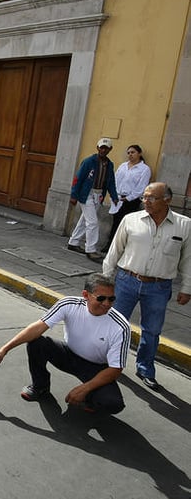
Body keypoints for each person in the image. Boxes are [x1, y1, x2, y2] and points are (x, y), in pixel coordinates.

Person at [0, 273, 129, 414]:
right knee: (36, 343)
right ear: (86, 295)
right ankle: (40, 386)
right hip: (68, 354)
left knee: (113, 404)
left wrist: (84, 389)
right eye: (101, 298)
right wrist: (5, 349)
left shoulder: (120, 326)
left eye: (111, 299)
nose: (106, 304)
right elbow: (38, 327)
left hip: (96, 367)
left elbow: (115, 369)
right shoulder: (68, 304)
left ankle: (89, 399)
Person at [102, 182, 191, 390]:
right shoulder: (131, 220)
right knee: (115, 324)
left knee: (151, 331)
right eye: (144, 197)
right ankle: (108, 362)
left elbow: (188, 259)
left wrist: (187, 288)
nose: (146, 201)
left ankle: (145, 368)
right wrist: (106, 279)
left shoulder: (184, 225)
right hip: (127, 281)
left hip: (159, 287)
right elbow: (115, 250)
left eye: (152, 198)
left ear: (167, 200)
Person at [67, 137, 118, 263]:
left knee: (85, 219)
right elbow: (78, 178)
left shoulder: (109, 164)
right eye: (101, 147)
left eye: (106, 148)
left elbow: (111, 182)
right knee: (92, 222)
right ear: (97, 148)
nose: (103, 150)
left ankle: (73, 242)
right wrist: (74, 195)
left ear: (110, 149)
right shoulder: (89, 161)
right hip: (87, 194)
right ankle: (90, 250)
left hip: (98, 194)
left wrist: (114, 196)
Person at [102, 144, 151, 252]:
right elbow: (114, 180)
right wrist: (114, 194)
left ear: (139, 153)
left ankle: (119, 247)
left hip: (131, 200)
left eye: (133, 152)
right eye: (128, 153)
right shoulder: (123, 166)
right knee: (115, 223)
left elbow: (142, 187)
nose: (130, 155)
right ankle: (110, 245)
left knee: (124, 225)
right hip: (118, 198)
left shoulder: (144, 169)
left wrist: (129, 198)